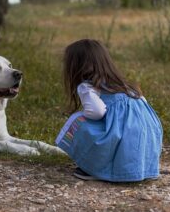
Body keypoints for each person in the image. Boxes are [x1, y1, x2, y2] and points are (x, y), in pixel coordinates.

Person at [55, 39, 163, 182]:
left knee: (77, 121)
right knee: (125, 131)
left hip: (121, 135)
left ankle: (95, 168)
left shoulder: (87, 86)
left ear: (76, 67)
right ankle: (142, 168)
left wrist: (83, 115)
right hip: (147, 134)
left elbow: (97, 111)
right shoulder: (125, 85)